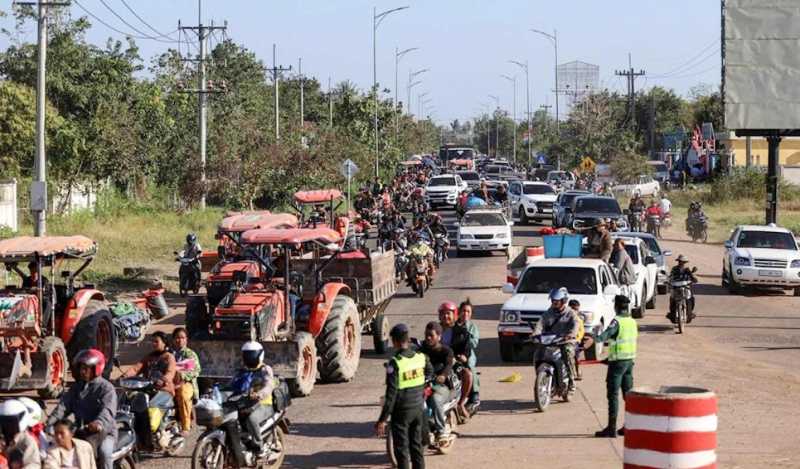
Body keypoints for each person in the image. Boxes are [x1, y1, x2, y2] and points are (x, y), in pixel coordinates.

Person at [46, 349, 116, 469]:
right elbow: (63, 406)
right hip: (82, 430)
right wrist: (49, 422)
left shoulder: (106, 388)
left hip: (105, 432)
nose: (82, 372)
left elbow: (108, 411)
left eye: (86, 368)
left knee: (105, 452)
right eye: (81, 368)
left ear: (96, 369)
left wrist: (99, 423)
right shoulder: (76, 388)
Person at [375, 324, 432, 469]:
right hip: (418, 409)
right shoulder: (421, 358)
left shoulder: (395, 363)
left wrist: (382, 420)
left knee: (402, 452)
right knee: (416, 447)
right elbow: (430, 373)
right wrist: (421, 387)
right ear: (407, 339)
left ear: (394, 341)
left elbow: (390, 396)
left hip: (401, 413)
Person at [592, 295, 638, 438]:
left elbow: (606, 335)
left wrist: (593, 339)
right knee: (628, 395)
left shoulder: (616, 321)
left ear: (616, 307)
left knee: (613, 395)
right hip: (629, 362)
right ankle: (630, 426)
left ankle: (611, 429)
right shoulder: (632, 321)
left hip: (617, 364)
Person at [122, 331, 176, 450]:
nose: (153, 344)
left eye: (156, 341)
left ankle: (160, 430)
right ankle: (142, 438)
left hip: (164, 390)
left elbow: (171, 372)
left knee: (151, 408)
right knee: (133, 404)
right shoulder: (149, 356)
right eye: (152, 341)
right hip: (148, 389)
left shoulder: (169, 357)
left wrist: (164, 380)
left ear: (164, 343)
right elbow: (137, 368)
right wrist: (124, 376)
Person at [229, 341, 276, 459]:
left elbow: (269, 385)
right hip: (245, 403)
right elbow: (231, 383)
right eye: (247, 355)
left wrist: (260, 394)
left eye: (252, 354)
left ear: (260, 355)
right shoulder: (242, 370)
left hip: (264, 404)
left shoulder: (265, 369)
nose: (250, 358)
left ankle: (259, 447)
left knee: (251, 418)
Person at [532, 288, 580, 392]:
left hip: (565, 341)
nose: (554, 303)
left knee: (568, 352)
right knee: (538, 353)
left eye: (556, 301)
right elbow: (540, 324)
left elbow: (576, 325)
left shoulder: (570, 313)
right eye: (553, 301)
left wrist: (571, 334)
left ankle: (571, 381)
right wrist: (535, 334)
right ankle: (542, 376)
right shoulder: (548, 313)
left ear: (563, 301)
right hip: (550, 340)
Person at [419, 322, 456, 444]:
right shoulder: (421, 351)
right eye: (426, 335)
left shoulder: (446, 351)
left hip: (442, 387)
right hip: (424, 384)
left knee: (434, 399)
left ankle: (441, 431)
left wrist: (443, 376)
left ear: (439, 336)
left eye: (431, 335)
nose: (428, 338)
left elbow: (448, 365)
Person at [438, 302, 473, 419]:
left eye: (448, 313)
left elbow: (466, 350)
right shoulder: (434, 330)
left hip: (454, 364)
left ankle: (461, 403)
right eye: (442, 314)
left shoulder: (462, 332)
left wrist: (462, 357)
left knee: (468, 374)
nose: (445, 316)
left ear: (454, 315)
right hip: (437, 363)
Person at [172, 328, 201, 436]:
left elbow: (196, 370)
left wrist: (182, 376)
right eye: (177, 338)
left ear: (186, 340)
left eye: (182, 338)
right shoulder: (169, 353)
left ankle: (186, 426)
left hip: (186, 383)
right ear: (173, 340)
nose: (179, 340)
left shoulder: (190, 354)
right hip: (169, 382)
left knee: (183, 395)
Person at [0, 399, 41, 469]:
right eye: (3, 422)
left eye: (9, 422)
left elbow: (33, 464)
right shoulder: (2, 437)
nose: (6, 426)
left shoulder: (27, 441)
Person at [458, 299, 480, 413]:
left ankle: (474, 395)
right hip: (454, 353)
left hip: (468, 354)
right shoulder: (454, 325)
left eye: (468, 311)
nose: (465, 313)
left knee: (470, 368)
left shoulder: (472, 327)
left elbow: (474, 344)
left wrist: (466, 332)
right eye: (463, 311)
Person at [668, 255, 698, 323]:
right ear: (678, 262)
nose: (681, 263)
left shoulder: (687, 270)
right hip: (675, 287)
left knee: (691, 298)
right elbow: (670, 276)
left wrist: (693, 278)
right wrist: (668, 281)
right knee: (672, 299)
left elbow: (692, 277)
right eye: (680, 261)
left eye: (683, 262)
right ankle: (672, 313)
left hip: (685, 287)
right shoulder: (674, 269)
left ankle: (690, 312)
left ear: (685, 262)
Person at [568, 299, 585, 380]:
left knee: (576, 358)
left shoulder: (579, 319)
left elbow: (581, 331)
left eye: (577, 309)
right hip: (565, 340)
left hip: (575, 341)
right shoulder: (565, 318)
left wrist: (578, 339)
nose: (576, 311)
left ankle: (578, 372)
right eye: (574, 309)